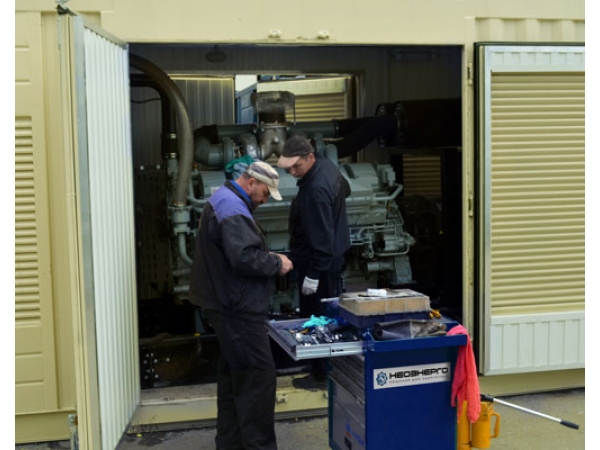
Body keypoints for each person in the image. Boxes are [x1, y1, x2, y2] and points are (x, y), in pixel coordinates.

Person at [189, 160, 294, 450]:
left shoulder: (224, 199)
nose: (264, 200)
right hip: (237, 309)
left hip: (224, 304)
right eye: (264, 193)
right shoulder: (233, 209)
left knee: (234, 378)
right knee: (258, 378)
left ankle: (230, 444)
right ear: (251, 183)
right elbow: (243, 258)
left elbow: (236, 252)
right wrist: (276, 262)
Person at [277, 135, 351, 386]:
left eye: (296, 166)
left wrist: (313, 275)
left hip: (319, 263)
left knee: (318, 318)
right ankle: (327, 370)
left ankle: (322, 374)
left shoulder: (315, 190)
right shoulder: (328, 167)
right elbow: (346, 189)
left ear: (310, 157)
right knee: (328, 314)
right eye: (288, 168)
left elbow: (321, 239)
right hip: (333, 257)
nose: (292, 173)